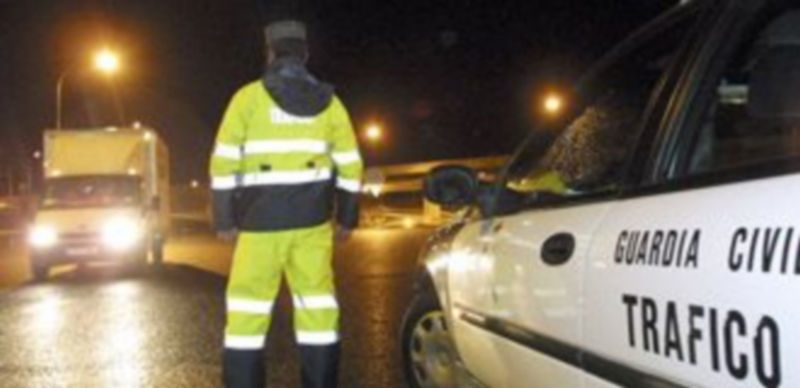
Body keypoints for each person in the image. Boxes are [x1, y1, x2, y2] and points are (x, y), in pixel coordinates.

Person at [209, 20, 363, 388]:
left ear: (269, 53)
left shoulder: (246, 99)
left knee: (247, 315)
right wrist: (347, 218)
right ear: (305, 54)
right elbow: (351, 164)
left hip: (259, 227)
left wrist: (225, 219)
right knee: (318, 312)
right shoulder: (330, 102)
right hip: (311, 226)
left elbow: (224, 162)